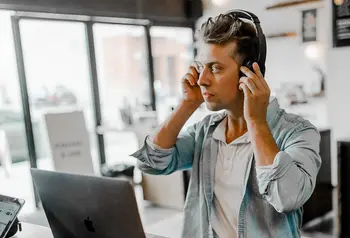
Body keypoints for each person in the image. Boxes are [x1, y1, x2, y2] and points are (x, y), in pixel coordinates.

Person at [131, 9, 321, 238]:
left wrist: (257, 122)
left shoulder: (297, 133)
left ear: (249, 72)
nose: (202, 80)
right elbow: (151, 163)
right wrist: (187, 105)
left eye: (215, 68)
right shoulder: (206, 131)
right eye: (201, 67)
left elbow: (287, 197)